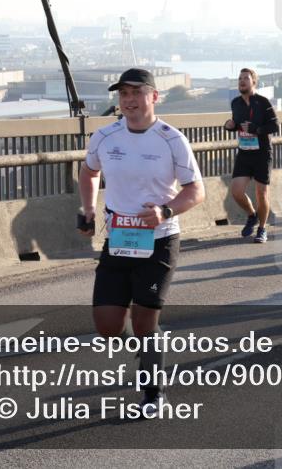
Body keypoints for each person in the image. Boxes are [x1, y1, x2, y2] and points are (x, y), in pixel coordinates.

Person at [79, 68, 205, 415]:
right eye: (123, 95)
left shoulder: (171, 139)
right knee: (107, 327)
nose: (129, 100)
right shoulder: (105, 136)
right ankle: (145, 343)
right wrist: (88, 208)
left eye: (136, 93)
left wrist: (166, 211)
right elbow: (89, 171)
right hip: (119, 239)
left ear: (153, 97)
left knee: (144, 321)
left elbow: (197, 190)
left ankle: (153, 390)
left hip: (159, 240)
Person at [224, 68, 280, 243]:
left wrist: (257, 130)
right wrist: (230, 126)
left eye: (246, 78)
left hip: (262, 153)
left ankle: (262, 229)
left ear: (253, 82)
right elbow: (238, 124)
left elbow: (275, 126)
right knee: (236, 191)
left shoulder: (263, 102)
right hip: (244, 153)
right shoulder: (235, 103)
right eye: (240, 78)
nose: (242, 81)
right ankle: (251, 215)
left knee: (261, 193)